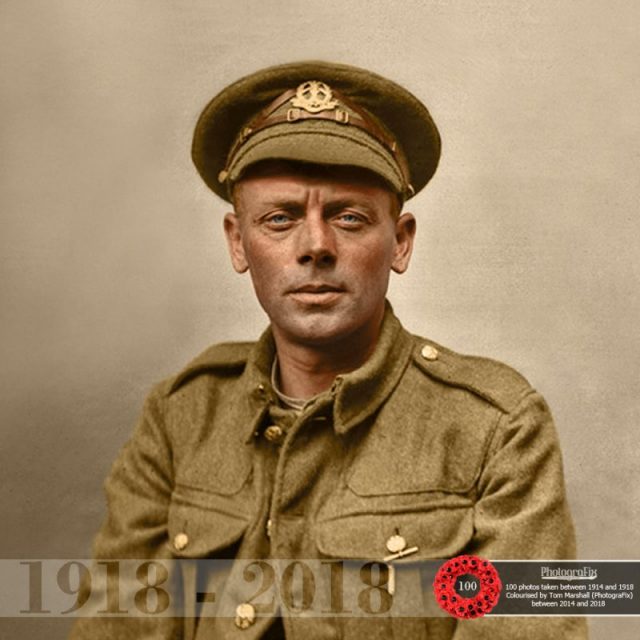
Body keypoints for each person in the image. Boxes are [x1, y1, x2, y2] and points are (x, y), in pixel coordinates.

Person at [70, 61, 587, 639]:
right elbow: (114, 625)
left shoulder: (496, 427)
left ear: (400, 241)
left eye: (348, 217)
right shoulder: (180, 415)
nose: (315, 245)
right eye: (279, 219)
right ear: (239, 243)